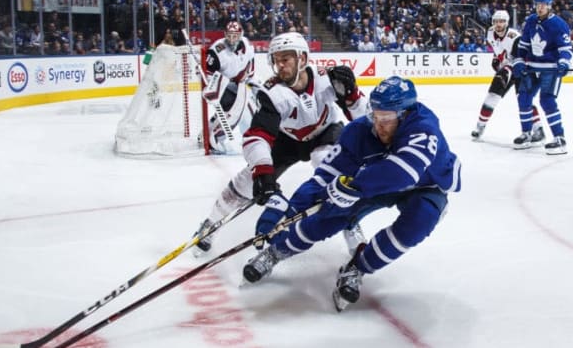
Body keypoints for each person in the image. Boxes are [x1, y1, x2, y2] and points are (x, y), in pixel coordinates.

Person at [242, 76, 462, 312]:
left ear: (405, 114)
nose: (379, 125)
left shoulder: (424, 127)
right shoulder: (359, 132)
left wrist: (354, 187)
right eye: (375, 116)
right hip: (375, 181)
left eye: (386, 119)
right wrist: (288, 211)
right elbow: (323, 178)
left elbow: (402, 173)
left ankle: (358, 267)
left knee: (420, 220)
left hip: (426, 185)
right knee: (328, 213)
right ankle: (276, 251)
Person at [192, 32, 369, 256]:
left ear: (302, 59)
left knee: (329, 168)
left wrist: (352, 95)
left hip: (326, 131)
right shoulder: (272, 93)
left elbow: (365, 120)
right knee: (247, 180)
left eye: (286, 59)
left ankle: (351, 225)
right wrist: (263, 170)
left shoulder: (328, 80)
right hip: (288, 139)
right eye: (276, 60)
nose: (280, 65)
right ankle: (211, 224)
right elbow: (257, 136)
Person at [512, 0, 573, 155]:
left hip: (550, 68)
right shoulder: (530, 21)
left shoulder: (559, 24)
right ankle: (526, 134)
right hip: (531, 67)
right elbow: (523, 45)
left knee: (547, 101)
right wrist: (519, 60)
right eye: (538, 4)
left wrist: (564, 62)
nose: (540, 7)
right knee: (523, 98)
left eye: (543, 4)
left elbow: (566, 49)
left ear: (549, 5)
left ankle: (560, 139)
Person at [471, 10, 544, 143]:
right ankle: (480, 126)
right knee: (492, 95)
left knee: (524, 100)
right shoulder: (490, 33)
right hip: (506, 68)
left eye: (502, 21)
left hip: (521, 70)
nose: (498, 24)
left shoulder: (514, 37)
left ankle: (538, 129)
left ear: (507, 22)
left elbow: (517, 58)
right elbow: (498, 50)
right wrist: (496, 59)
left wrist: (506, 70)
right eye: (496, 21)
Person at [202, 21, 258, 153]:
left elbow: (251, 64)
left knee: (249, 111)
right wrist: (213, 89)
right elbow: (207, 74)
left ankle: (251, 139)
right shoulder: (217, 50)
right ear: (225, 35)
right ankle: (214, 139)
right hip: (223, 86)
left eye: (235, 36)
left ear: (241, 35)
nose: (232, 39)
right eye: (229, 35)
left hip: (240, 84)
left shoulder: (247, 45)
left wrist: (250, 79)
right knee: (231, 112)